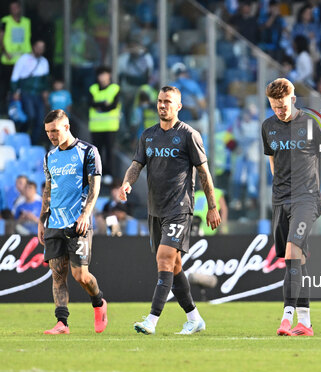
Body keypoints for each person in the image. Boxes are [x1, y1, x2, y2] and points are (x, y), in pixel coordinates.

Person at [118, 86, 220, 335]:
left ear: (179, 106)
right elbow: (136, 164)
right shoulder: (148, 135)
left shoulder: (189, 135)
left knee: (164, 258)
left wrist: (212, 206)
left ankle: (151, 320)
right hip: (156, 210)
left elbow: (204, 173)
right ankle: (194, 318)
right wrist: (127, 182)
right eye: (160, 101)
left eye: (168, 102)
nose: (163, 105)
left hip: (180, 208)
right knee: (174, 266)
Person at [261, 78, 321, 336]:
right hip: (281, 200)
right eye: (274, 107)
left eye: (282, 106)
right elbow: (273, 161)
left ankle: (286, 317)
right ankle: (305, 322)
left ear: (292, 99)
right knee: (296, 260)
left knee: (293, 252)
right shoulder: (268, 127)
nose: (279, 111)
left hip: (307, 199)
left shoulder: (311, 123)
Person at [38, 109, 108, 335]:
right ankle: (62, 323)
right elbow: (48, 189)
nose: (51, 135)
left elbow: (95, 187)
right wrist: (42, 220)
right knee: (57, 274)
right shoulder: (50, 157)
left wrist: (86, 214)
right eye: (48, 132)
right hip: (54, 222)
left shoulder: (88, 151)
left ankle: (98, 302)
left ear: (67, 127)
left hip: (78, 222)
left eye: (55, 131)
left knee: (81, 276)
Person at [10, 39, 49, 145]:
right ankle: (21, 137)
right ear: (33, 46)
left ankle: (33, 143)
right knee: (30, 116)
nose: (40, 49)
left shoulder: (44, 62)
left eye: (42, 48)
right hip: (26, 92)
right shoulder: (24, 59)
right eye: (38, 46)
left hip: (38, 94)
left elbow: (45, 80)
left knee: (41, 119)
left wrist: (45, 93)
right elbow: (15, 77)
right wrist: (16, 91)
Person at [89, 66, 121, 181]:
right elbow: (91, 103)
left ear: (109, 75)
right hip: (96, 127)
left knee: (109, 151)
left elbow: (113, 105)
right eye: (100, 75)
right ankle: (97, 174)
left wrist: (99, 104)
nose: (102, 77)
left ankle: (108, 174)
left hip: (110, 126)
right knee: (96, 152)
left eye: (105, 74)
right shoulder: (93, 88)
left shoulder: (115, 88)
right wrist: (105, 104)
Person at [0, 1, 32, 115]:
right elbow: (1, 36)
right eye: (11, 8)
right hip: (8, 61)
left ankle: (21, 111)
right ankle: (4, 110)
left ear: (19, 9)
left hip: (22, 61)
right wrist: (5, 51)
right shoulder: (5, 21)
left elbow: (27, 39)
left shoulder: (26, 22)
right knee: (6, 87)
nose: (13, 10)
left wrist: (29, 56)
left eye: (15, 8)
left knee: (21, 88)